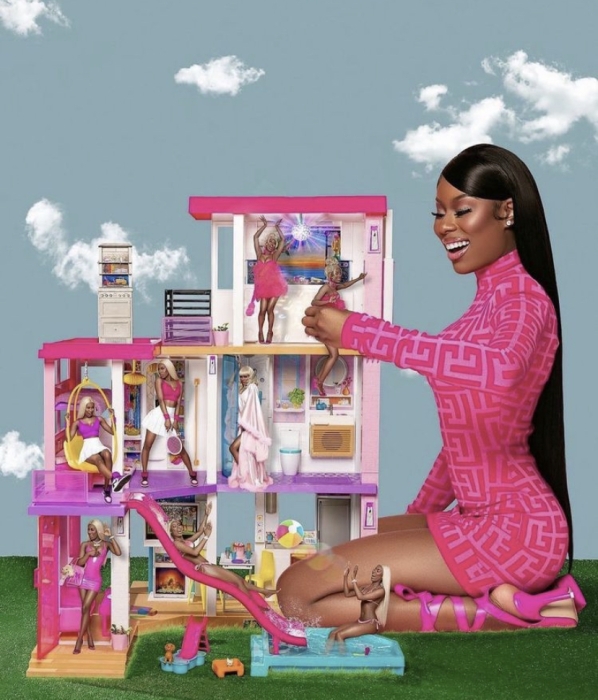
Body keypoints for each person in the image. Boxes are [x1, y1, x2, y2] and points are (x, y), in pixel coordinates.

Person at [277, 144, 584, 632]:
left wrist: (360, 332)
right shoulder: (484, 307)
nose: (445, 226)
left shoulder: (525, 301)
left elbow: (499, 369)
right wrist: (419, 518)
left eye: (462, 210)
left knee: (297, 595)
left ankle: (520, 613)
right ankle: (493, 596)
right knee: (338, 554)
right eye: (439, 213)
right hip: (476, 517)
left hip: (518, 532)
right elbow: (465, 439)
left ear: (506, 211)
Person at [169, 505, 278, 599]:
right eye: (174, 527)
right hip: (205, 568)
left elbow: (199, 531)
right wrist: (207, 536)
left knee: (240, 579)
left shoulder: (185, 541)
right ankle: (254, 606)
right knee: (237, 581)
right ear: (171, 531)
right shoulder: (177, 543)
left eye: (179, 525)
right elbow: (194, 552)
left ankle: (264, 591)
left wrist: (206, 514)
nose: (178, 528)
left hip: (207, 565)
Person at [311, 258, 367, 396]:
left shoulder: (334, 287)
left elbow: (345, 285)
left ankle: (319, 381)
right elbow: (314, 302)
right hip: (324, 324)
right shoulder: (325, 287)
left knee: (334, 355)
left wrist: (358, 278)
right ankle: (319, 382)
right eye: (337, 273)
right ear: (330, 275)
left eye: (340, 273)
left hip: (332, 323)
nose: (339, 276)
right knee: (334, 355)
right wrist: (327, 302)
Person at [140, 360, 197, 487]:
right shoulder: (159, 381)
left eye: (162, 368)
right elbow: (160, 400)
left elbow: (178, 402)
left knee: (180, 447)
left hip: (171, 416)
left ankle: (192, 474)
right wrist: (166, 418)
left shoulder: (179, 383)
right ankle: (144, 475)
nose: (160, 371)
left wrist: (175, 420)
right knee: (147, 445)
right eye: (159, 369)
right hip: (160, 414)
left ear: (169, 368)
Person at [66, 396, 130, 503]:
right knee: (97, 459)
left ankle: (106, 489)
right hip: (87, 450)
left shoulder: (99, 419)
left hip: (98, 445)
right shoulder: (77, 422)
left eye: (92, 408)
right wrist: (68, 423)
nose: (90, 410)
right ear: (83, 408)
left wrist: (113, 418)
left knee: (107, 453)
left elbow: (112, 431)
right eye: (88, 408)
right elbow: (68, 439)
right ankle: (114, 478)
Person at [73, 519, 122, 654]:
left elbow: (118, 552)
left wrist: (111, 536)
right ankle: (89, 637)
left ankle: (79, 639)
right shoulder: (85, 544)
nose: (89, 532)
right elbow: (80, 563)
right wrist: (89, 554)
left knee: (85, 607)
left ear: (98, 530)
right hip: (82, 580)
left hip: (95, 581)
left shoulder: (106, 545)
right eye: (88, 529)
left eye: (92, 529)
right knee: (85, 609)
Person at [326, 564, 390, 652]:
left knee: (340, 635)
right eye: (374, 569)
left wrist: (354, 580)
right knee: (333, 633)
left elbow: (360, 597)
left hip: (370, 623)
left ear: (383, 576)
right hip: (360, 621)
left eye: (378, 570)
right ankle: (326, 655)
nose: (374, 571)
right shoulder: (365, 587)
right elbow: (347, 594)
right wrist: (345, 576)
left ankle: (342, 658)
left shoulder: (380, 591)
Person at [228, 366, 272, 492]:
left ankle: (248, 476)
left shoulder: (252, 388)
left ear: (251, 376)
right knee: (244, 453)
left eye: (246, 376)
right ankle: (248, 476)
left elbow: (251, 409)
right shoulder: (244, 389)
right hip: (245, 425)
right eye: (241, 376)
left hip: (249, 426)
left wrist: (245, 425)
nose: (243, 379)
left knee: (235, 448)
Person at [248, 215, 290, 344]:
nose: (271, 244)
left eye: (273, 244)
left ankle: (270, 332)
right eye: (270, 242)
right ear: (266, 243)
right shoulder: (259, 254)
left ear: (275, 247)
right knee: (262, 310)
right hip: (263, 288)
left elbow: (283, 240)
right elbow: (255, 237)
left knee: (269, 310)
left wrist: (277, 228)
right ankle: (260, 331)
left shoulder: (275, 256)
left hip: (275, 287)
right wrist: (265, 226)